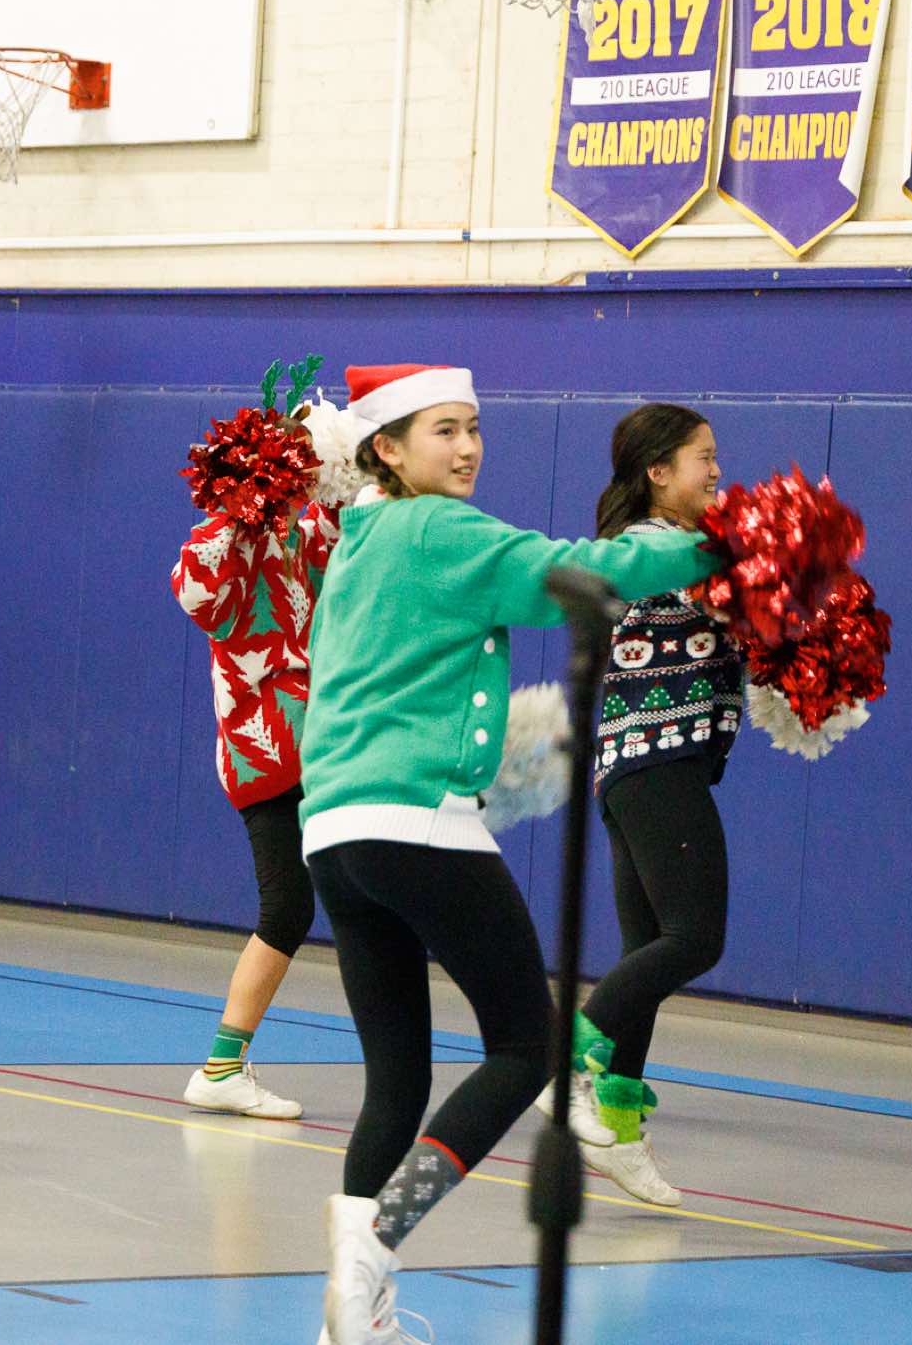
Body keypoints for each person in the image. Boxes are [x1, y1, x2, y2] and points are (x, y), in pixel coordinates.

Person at [298, 365, 720, 1344]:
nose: (467, 448)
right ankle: (374, 1245)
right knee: (528, 1046)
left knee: (395, 1082)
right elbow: (575, 573)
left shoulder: (358, 537)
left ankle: (354, 1313)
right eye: (442, 430)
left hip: (335, 834)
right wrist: (715, 545)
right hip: (415, 820)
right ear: (386, 449)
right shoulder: (436, 529)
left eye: (474, 428)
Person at [541, 402, 741, 1208]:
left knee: (649, 947)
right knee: (695, 937)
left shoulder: (679, 543)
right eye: (702, 457)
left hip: (641, 766)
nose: (717, 470)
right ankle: (567, 1065)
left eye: (716, 455)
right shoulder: (660, 547)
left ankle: (619, 1125)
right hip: (655, 761)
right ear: (658, 472)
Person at [171, 478, 338, 1119]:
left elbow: (343, 542)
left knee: (337, 896)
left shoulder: (309, 533)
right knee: (289, 906)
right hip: (266, 750)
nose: (303, 489)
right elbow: (195, 592)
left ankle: (223, 1065)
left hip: (322, 742)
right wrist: (235, 516)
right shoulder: (233, 542)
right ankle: (220, 1067)